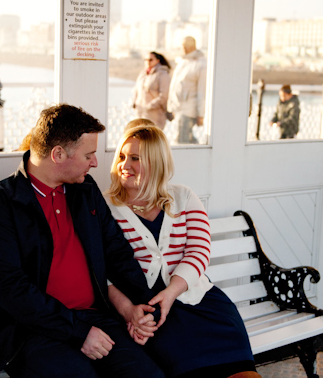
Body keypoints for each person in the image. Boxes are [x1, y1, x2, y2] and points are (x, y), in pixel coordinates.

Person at [0, 104, 164, 378]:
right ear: (58, 154)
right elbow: (12, 289)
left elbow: (117, 253)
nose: (96, 162)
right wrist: (78, 332)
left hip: (96, 319)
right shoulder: (2, 204)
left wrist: (142, 309)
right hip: (31, 331)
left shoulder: (85, 191)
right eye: (89, 154)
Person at [105, 121, 260, 378]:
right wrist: (128, 310)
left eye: (135, 158)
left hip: (199, 300)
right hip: (151, 312)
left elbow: (199, 250)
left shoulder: (183, 197)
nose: (124, 164)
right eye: (122, 156)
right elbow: (101, 270)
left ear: (156, 163)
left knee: (242, 373)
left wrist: (171, 292)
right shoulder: (105, 206)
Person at [167, 36, 207, 144]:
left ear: (193, 45)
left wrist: (201, 114)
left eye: (187, 45)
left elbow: (202, 91)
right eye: (183, 45)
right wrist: (171, 106)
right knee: (184, 138)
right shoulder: (183, 61)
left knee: (182, 140)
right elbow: (175, 85)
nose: (184, 48)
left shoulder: (201, 64)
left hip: (189, 109)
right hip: (179, 108)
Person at [132, 52, 172, 130]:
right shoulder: (143, 74)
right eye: (146, 60)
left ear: (157, 61)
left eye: (150, 60)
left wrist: (150, 106)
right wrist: (135, 104)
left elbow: (164, 95)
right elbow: (136, 89)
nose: (148, 62)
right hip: (140, 113)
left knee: (152, 139)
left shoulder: (163, 75)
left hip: (155, 114)